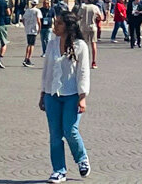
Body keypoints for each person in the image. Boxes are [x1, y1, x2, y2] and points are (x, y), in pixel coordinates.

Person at [39, 10, 92, 182]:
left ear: (69, 26)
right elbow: (46, 69)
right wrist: (43, 93)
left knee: (70, 130)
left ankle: (82, 158)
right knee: (55, 134)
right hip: (52, 94)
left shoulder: (80, 46)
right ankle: (59, 170)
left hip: (72, 95)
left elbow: (83, 72)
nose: (55, 26)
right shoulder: (52, 44)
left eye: (59, 23)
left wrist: (82, 96)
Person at [76, 0, 102, 69]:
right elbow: (100, 17)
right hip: (93, 26)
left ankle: (85, 61)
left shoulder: (83, 7)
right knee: (93, 44)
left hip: (84, 27)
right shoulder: (95, 7)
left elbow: (78, 16)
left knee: (85, 45)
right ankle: (94, 61)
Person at [23, 0, 42, 68]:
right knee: (32, 45)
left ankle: (26, 57)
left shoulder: (27, 10)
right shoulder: (37, 11)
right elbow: (38, 20)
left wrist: (26, 25)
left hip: (28, 29)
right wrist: (40, 28)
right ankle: (28, 59)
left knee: (28, 44)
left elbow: (23, 19)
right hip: (34, 29)